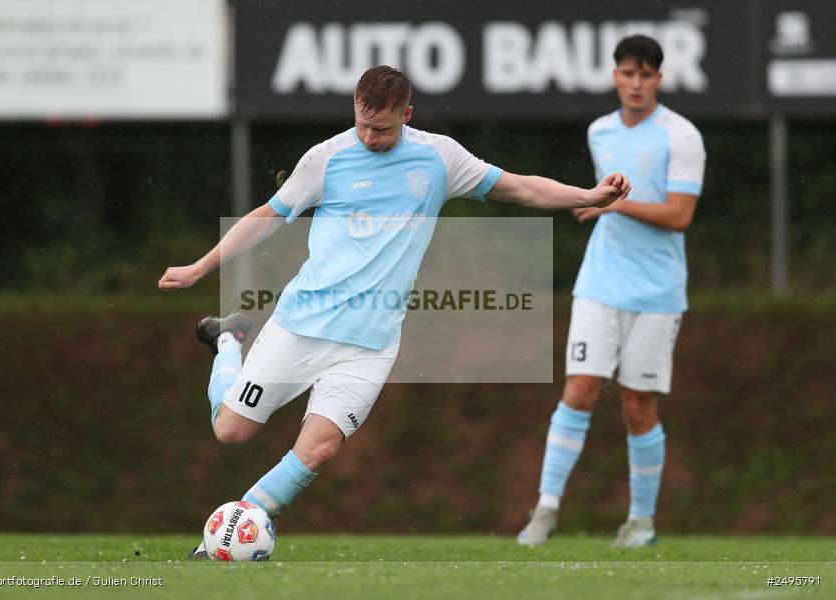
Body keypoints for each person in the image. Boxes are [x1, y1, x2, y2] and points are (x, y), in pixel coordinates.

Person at [158, 65, 630, 557]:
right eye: (361, 122)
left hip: (372, 344)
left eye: (381, 127)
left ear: (407, 114)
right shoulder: (326, 159)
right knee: (230, 430)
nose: (368, 135)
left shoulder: (439, 158)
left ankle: (230, 534)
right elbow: (265, 218)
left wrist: (590, 195)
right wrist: (200, 267)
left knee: (318, 450)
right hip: (302, 326)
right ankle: (228, 340)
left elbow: (520, 187)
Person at [516, 35, 706, 548]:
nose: (636, 83)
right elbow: (611, 196)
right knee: (578, 389)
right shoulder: (599, 131)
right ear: (616, 76)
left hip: (657, 290)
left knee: (636, 403)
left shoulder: (681, 136)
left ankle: (640, 522)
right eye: (628, 73)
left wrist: (615, 206)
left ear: (659, 80)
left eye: (646, 75)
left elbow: (679, 215)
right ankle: (545, 510)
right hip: (600, 282)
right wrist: (599, 202)